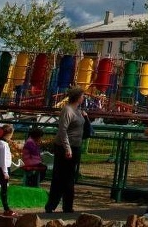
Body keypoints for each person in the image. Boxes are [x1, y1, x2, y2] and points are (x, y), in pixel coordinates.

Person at [45, 87, 87, 215]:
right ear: (78, 97)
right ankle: (52, 204)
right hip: (65, 147)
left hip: (76, 146)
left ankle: (67, 205)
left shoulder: (77, 110)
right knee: (60, 176)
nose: (84, 98)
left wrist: (85, 116)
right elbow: (63, 130)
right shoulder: (68, 110)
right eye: (82, 96)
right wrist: (67, 148)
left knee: (69, 177)